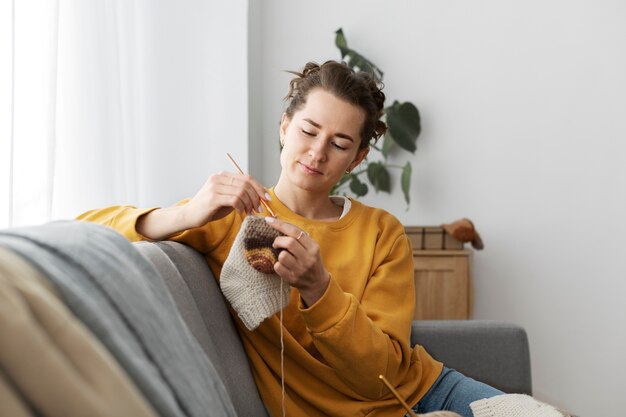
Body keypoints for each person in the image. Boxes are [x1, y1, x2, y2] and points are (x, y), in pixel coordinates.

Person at [78, 60, 503, 417]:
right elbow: (83, 229)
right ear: (284, 127)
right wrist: (186, 213)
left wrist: (320, 288)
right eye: (308, 131)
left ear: (357, 158)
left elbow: (383, 376)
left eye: (339, 143)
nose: (317, 153)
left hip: (428, 391)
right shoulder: (234, 218)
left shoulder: (381, 231)